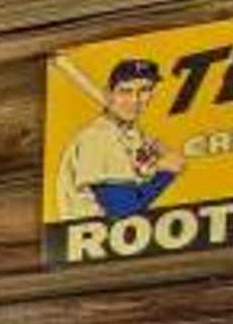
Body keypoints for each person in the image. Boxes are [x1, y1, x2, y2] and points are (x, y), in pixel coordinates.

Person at [58, 57, 183, 219]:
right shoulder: (99, 137)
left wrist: (155, 159)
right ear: (109, 93)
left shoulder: (131, 133)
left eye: (144, 90)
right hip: (92, 235)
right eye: (126, 91)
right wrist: (164, 173)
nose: (135, 100)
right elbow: (123, 208)